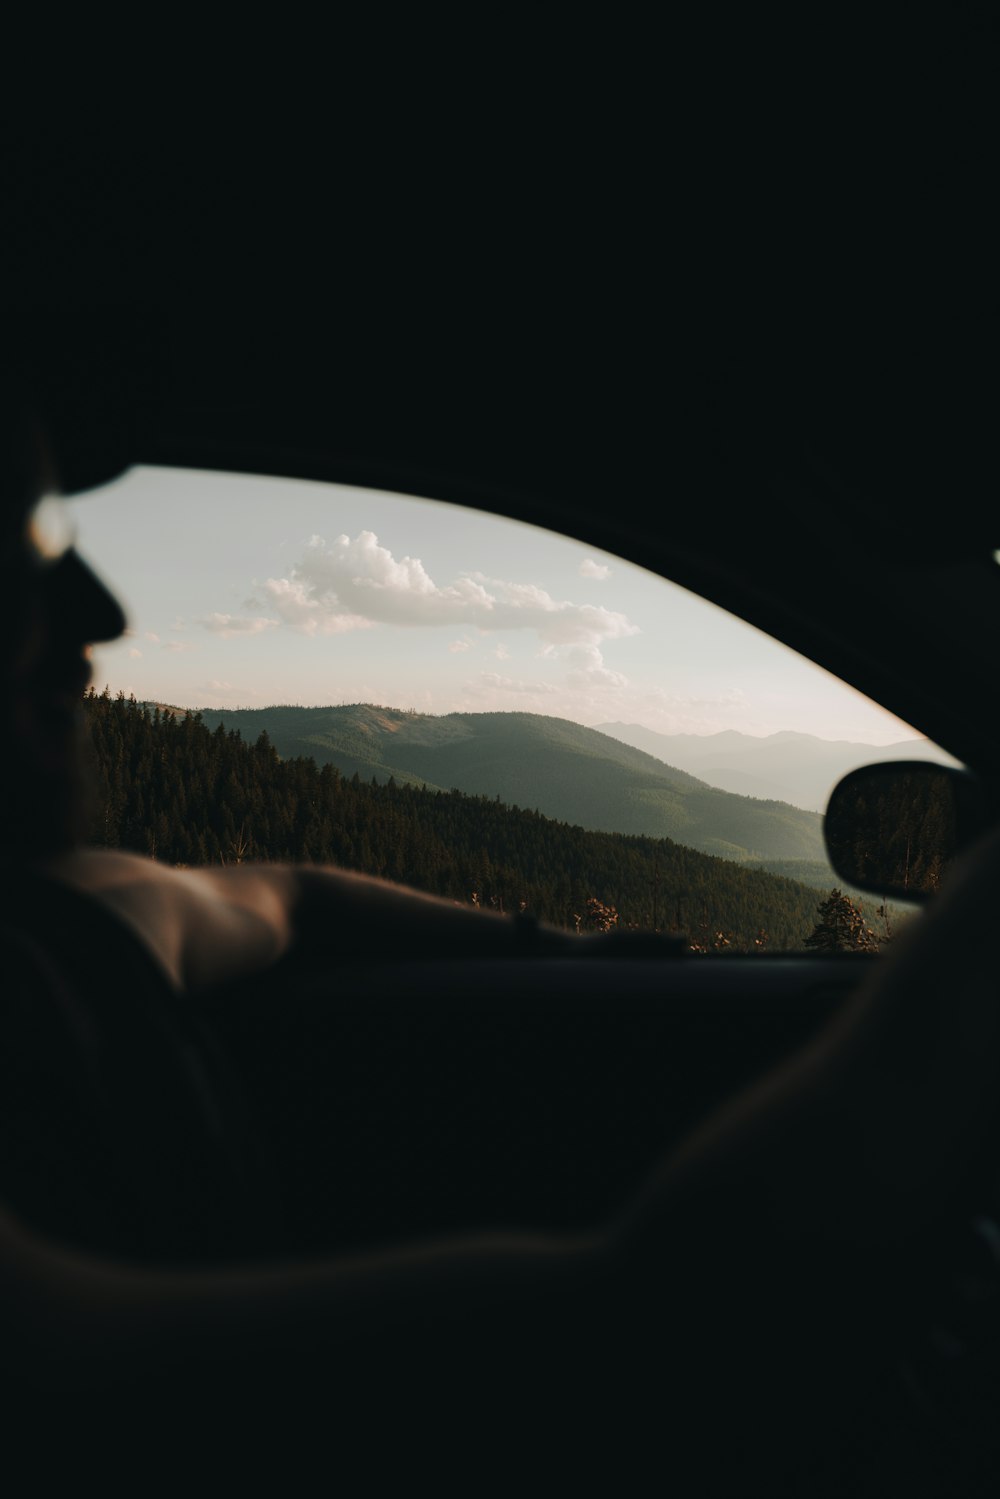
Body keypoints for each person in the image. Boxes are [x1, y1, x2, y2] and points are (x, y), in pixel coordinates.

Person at [2, 380, 996, 1489]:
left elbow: (286, 890)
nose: (96, 615)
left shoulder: (62, 939)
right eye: (29, 541)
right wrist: (967, 949)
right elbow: (656, 1333)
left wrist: (552, 944)